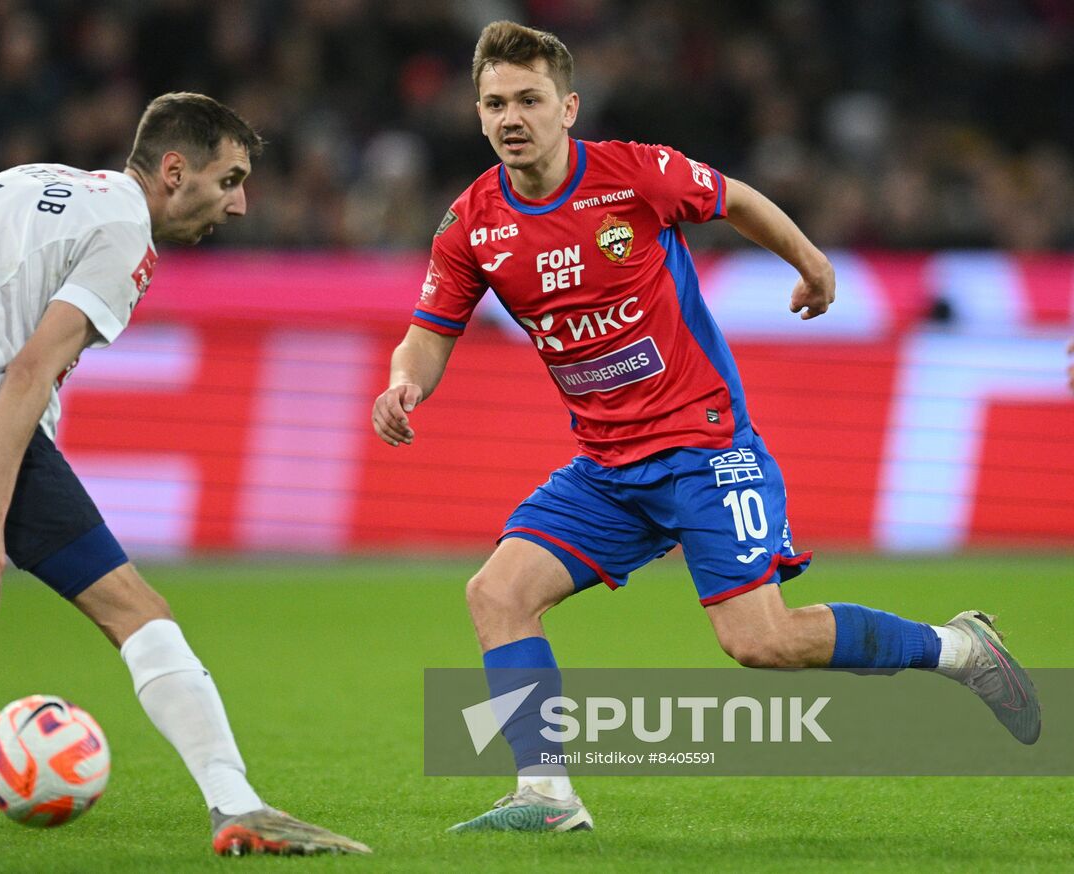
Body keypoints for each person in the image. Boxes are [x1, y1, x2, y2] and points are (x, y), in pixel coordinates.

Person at [371, 21, 1041, 834]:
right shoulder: (472, 223)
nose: (512, 116)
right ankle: (546, 797)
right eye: (494, 103)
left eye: (529, 99)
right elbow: (430, 329)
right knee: (498, 594)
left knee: (762, 643)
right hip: (607, 469)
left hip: (704, 446)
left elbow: (737, 199)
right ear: (477, 115)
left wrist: (812, 262)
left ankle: (960, 650)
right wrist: (405, 384)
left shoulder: (632, 174)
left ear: (568, 106)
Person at [0, 92, 369, 857]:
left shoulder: (20, 181)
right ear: (173, 170)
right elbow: (30, 368)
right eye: (229, 179)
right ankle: (239, 806)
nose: (239, 204)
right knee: (135, 609)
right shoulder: (124, 228)